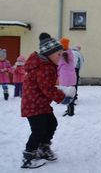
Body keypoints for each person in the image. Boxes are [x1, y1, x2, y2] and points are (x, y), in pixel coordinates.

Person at [21, 32, 76, 169]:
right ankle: (29, 155)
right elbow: (47, 89)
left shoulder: (47, 65)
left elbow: (48, 87)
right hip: (33, 105)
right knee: (38, 130)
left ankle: (43, 147)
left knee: (51, 123)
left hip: (41, 104)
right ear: (49, 54)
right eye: (58, 54)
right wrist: (63, 98)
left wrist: (60, 92)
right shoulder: (43, 68)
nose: (61, 57)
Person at [58, 37, 77, 116]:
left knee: (67, 95)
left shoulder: (61, 55)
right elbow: (75, 64)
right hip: (72, 77)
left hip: (64, 79)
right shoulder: (71, 54)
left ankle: (70, 111)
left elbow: (58, 66)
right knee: (71, 94)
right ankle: (70, 109)